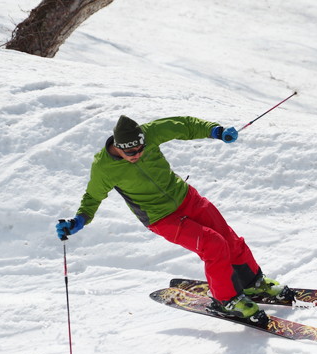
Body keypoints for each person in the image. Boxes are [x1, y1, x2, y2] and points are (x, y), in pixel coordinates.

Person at [56, 114, 290, 324]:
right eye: (131, 153)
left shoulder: (149, 133)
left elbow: (184, 125)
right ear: (118, 147)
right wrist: (80, 219)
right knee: (213, 245)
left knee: (228, 238)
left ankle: (252, 283)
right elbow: (93, 196)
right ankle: (226, 301)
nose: (137, 155)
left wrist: (215, 131)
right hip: (161, 217)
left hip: (186, 197)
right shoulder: (104, 167)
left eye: (140, 149)